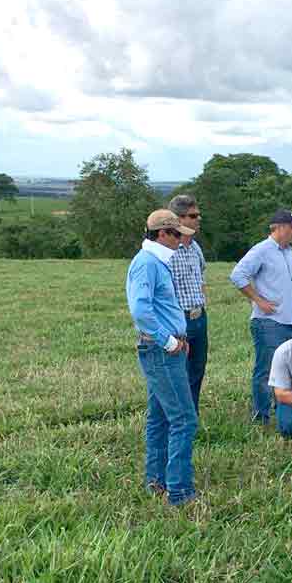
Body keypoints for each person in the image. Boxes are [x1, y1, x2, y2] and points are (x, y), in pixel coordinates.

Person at [126, 209, 198, 506]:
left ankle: (156, 480)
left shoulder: (156, 261)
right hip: (160, 350)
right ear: (162, 234)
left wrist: (178, 338)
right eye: (178, 234)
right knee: (184, 419)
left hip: (167, 348)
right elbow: (140, 310)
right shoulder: (147, 264)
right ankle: (180, 492)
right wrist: (168, 341)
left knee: (159, 417)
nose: (182, 240)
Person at [230, 208, 292, 425]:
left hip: (291, 321)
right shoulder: (261, 250)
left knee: (287, 370)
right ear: (279, 228)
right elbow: (237, 275)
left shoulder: (288, 251)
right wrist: (258, 300)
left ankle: (282, 411)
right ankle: (261, 416)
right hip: (268, 323)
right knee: (266, 370)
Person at [167, 194, 209, 413]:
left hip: (198, 316)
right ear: (178, 219)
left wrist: (202, 304)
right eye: (193, 216)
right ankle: (178, 415)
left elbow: (201, 275)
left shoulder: (195, 247)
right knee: (177, 371)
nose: (198, 219)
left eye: (198, 215)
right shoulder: (167, 252)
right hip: (178, 318)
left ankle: (191, 414)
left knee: (196, 369)